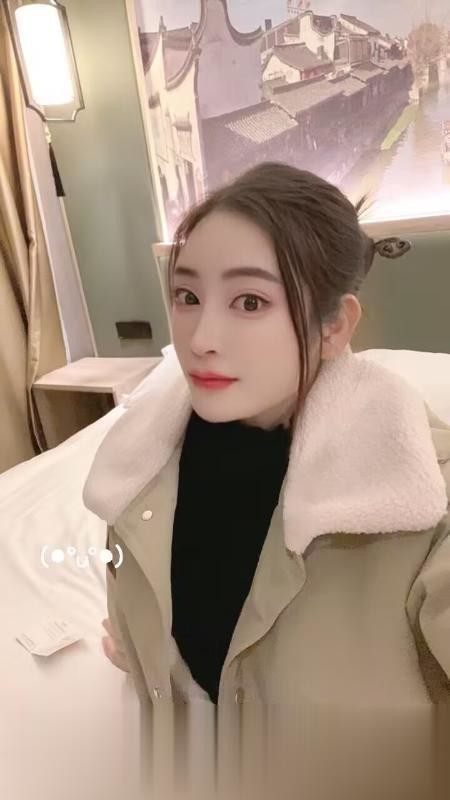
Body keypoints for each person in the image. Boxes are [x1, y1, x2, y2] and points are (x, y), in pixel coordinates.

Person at [83, 162, 450, 800]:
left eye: (250, 302)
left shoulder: (425, 498)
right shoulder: (136, 465)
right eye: (187, 297)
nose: (201, 339)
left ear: (333, 327)